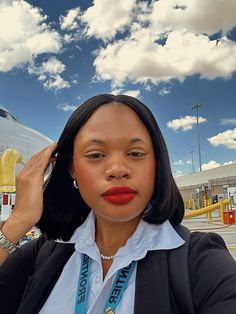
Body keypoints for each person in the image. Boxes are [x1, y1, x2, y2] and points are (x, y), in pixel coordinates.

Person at [0, 94, 236, 314]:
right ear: (72, 168)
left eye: (135, 153)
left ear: (157, 163)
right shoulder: (41, 254)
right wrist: (19, 220)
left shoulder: (200, 262)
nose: (117, 170)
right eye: (95, 155)